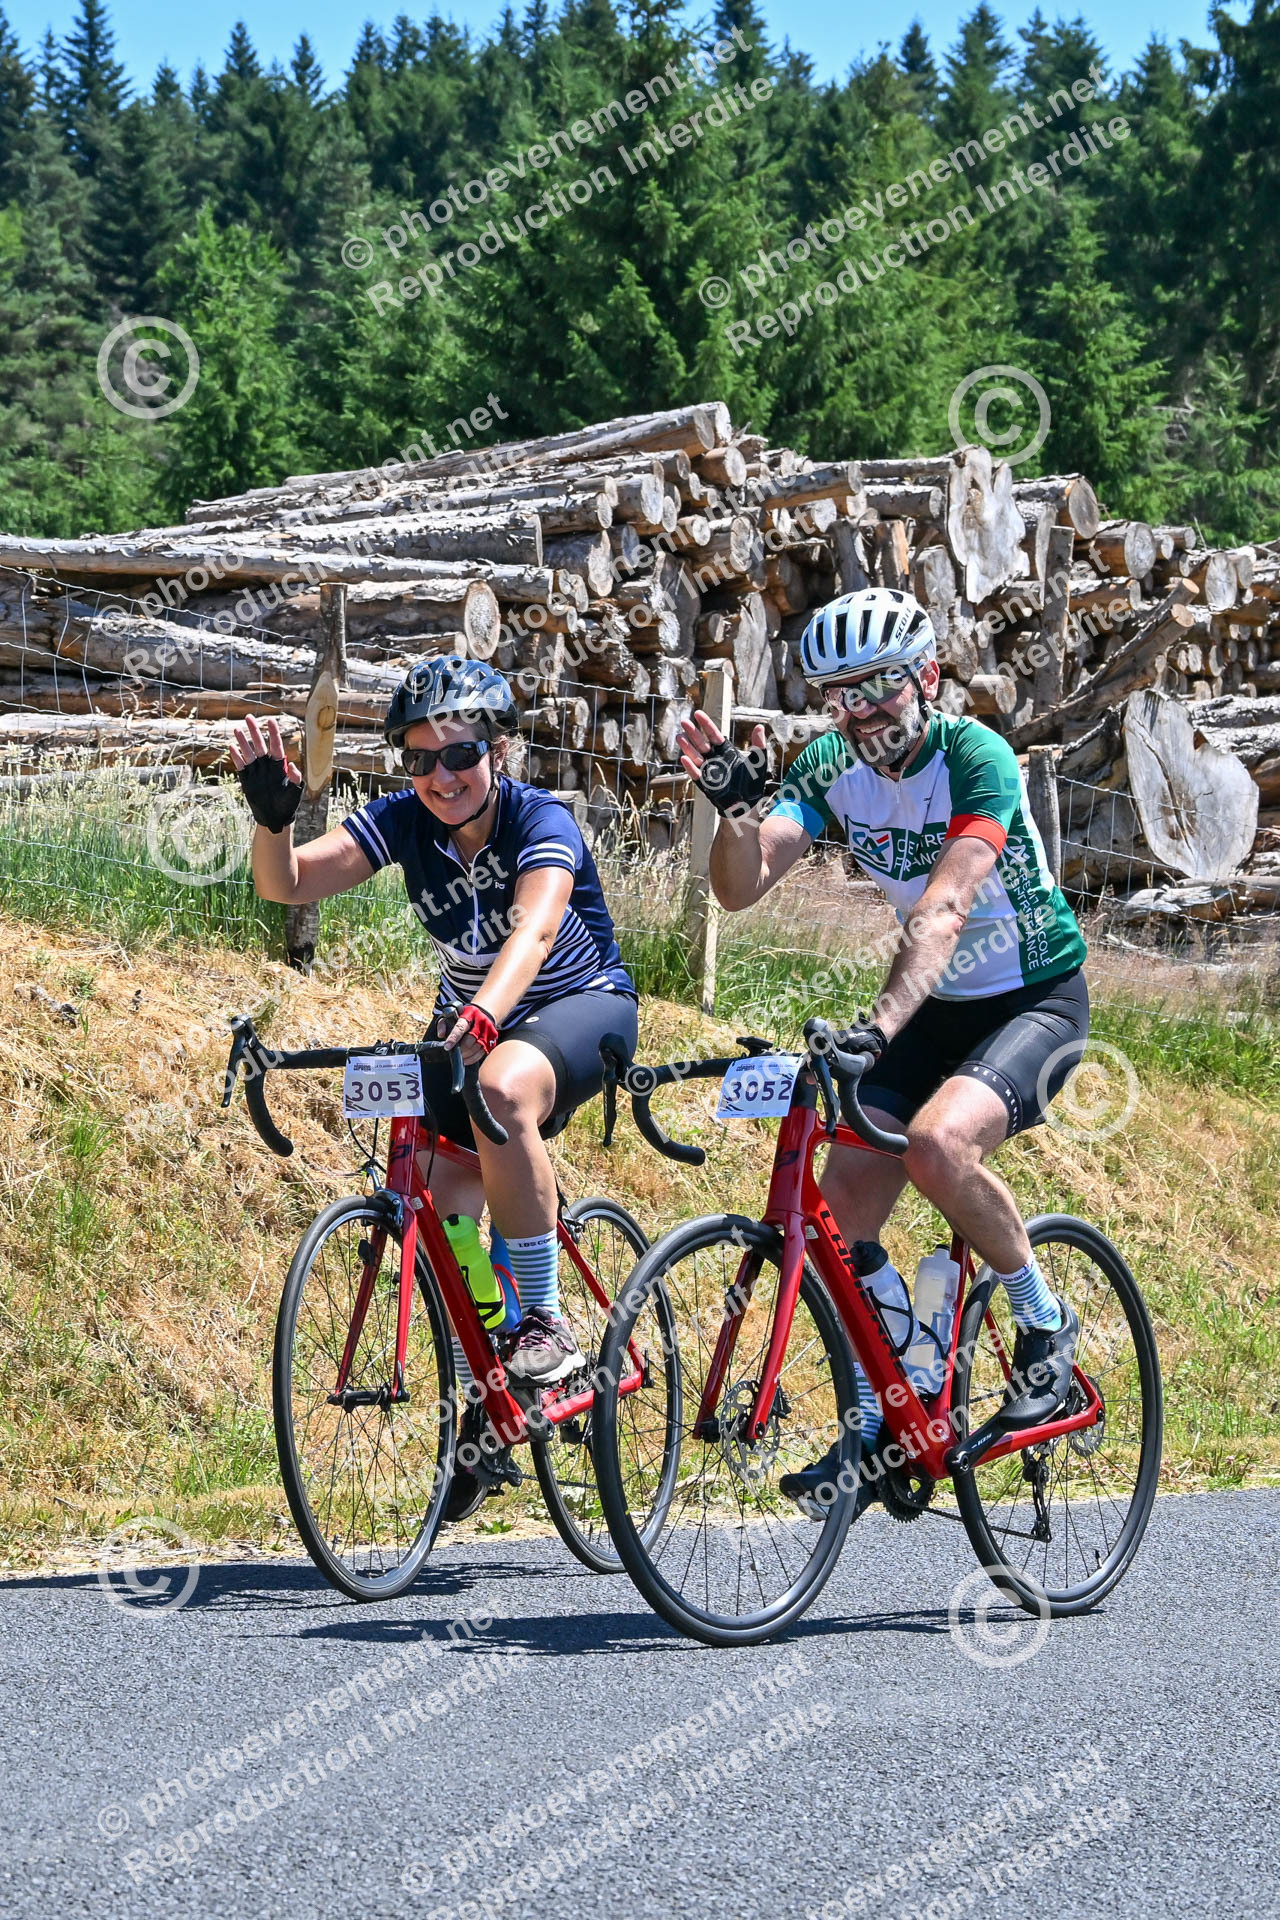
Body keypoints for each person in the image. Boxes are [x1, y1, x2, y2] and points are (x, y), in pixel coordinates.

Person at [678, 586, 1089, 1519]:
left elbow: (945, 908)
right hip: (933, 1011)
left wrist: (880, 1022)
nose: (861, 712)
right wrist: (735, 812)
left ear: (927, 677)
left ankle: (1044, 1321)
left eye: (879, 688)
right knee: (839, 1209)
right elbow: (741, 888)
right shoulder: (831, 763)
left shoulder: (976, 757)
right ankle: (880, 1416)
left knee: (939, 1146)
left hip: (1033, 999)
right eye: (841, 695)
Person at [230, 657, 639, 1505]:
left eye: (459, 755)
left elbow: (534, 932)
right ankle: (486, 1400)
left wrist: (484, 1017)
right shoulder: (404, 819)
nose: (441, 777)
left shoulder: (540, 819)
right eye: (420, 759)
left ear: (499, 750)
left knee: (500, 1091)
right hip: (469, 1023)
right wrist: (273, 822)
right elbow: (285, 884)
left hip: (577, 1006)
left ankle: (544, 1320)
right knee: (436, 1206)